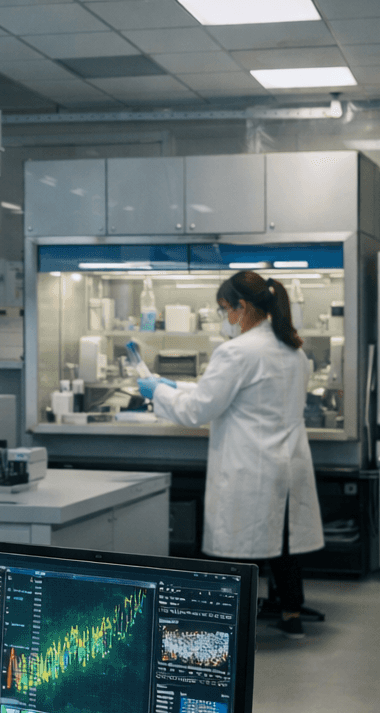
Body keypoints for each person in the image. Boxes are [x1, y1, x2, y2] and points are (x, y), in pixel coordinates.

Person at [138, 270, 324, 638]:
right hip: (287, 461)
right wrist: (176, 385)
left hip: (250, 465)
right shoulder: (293, 350)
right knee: (283, 541)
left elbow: (198, 410)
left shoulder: (236, 351)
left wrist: (157, 392)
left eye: (226, 310)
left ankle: (225, 627)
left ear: (242, 306)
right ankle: (291, 615)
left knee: (237, 547)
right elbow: (228, 392)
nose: (226, 318)